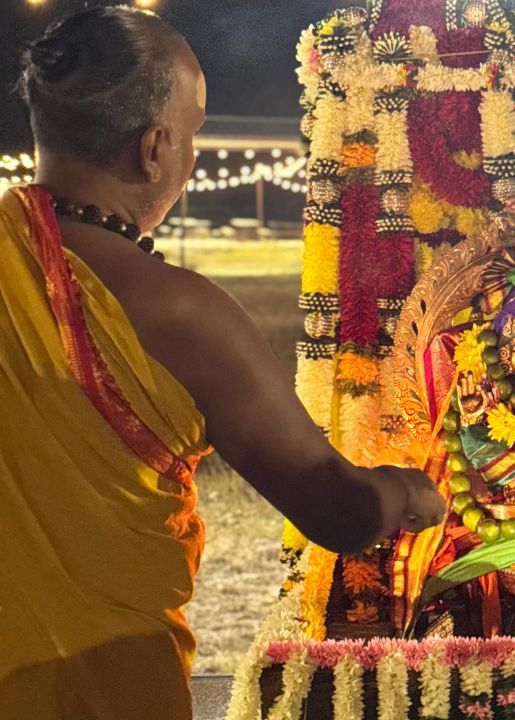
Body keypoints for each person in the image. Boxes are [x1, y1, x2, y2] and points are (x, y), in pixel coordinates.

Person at [0, 7, 445, 718]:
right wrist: (412, 492)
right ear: (155, 149)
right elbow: (338, 508)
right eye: (195, 132)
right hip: (96, 680)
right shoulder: (179, 313)